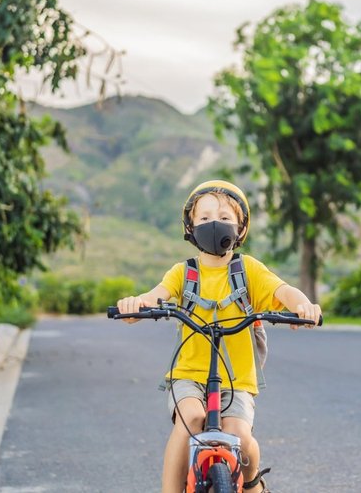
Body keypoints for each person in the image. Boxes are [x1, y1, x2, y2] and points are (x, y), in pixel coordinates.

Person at [116, 180, 321, 493]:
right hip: (188, 375)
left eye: (225, 217)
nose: (215, 223)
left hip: (237, 379)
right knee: (191, 421)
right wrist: (136, 305)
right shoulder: (183, 273)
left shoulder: (247, 270)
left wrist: (303, 306)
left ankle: (252, 485)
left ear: (240, 229)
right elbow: (156, 295)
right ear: (190, 226)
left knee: (242, 439)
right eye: (205, 217)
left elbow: (282, 290)